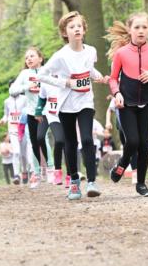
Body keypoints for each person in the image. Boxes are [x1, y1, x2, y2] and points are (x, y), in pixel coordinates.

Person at [37, 11, 106, 200]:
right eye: (71, 27)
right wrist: (65, 83)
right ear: (65, 33)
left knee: (87, 139)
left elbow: (89, 69)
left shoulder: (91, 51)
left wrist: (99, 77)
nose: (76, 29)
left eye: (79, 26)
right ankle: (74, 181)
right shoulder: (61, 56)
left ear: (84, 30)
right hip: (66, 104)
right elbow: (41, 75)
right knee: (70, 142)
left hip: (85, 101)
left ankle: (91, 182)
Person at [107, 11, 148, 197]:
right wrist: (116, 94)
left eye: (144, 27)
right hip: (126, 104)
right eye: (137, 27)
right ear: (130, 30)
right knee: (132, 141)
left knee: (143, 145)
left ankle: (141, 184)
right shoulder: (121, 53)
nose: (141, 31)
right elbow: (113, 79)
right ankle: (123, 163)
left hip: (146, 103)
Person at [10, 47, 49, 189]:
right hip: (31, 113)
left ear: (40, 58)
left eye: (32, 56)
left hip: (47, 111)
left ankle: (50, 169)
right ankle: (37, 173)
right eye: (27, 58)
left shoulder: (47, 70)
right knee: (34, 143)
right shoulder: (24, 74)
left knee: (42, 138)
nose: (29, 59)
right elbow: (12, 90)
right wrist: (26, 86)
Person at [35, 84, 65, 185]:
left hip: (60, 114)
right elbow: (41, 97)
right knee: (40, 137)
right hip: (45, 113)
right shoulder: (42, 76)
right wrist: (38, 110)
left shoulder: (63, 75)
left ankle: (67, 171)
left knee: (61, 141)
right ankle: (50, 166)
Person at [0, 85, 24, 184]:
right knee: (16, 152)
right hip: (13, 130)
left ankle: (28, 172)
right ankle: (16, 175)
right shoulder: (7, 101)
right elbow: (6, 115)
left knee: (25, 154)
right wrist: (3, 120)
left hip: (24, 129)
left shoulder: (24, 99)